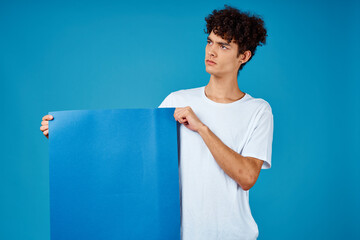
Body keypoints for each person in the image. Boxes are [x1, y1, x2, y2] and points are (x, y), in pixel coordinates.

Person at [40, 5, 273, 240]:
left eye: (223, 46)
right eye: (210, 42)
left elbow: (246, 177)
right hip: (179, 234)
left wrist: (202, 128)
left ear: (243, 56)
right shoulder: (177, 100)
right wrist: (66, 137)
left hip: (234, 234)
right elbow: (132, 152)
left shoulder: (257, 110)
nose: (211, 52)